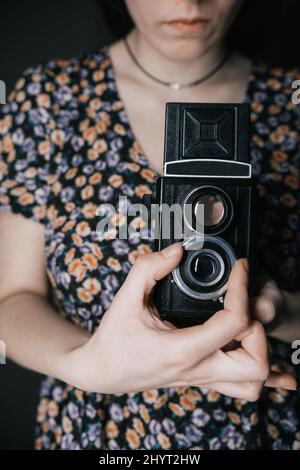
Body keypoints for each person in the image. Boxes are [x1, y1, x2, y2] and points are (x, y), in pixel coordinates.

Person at [0, 0, 299, 450]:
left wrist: (278, 311)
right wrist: (87, 365)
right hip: (97, 428)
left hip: (263, 426)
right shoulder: (50, 99)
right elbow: (10, 298)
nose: (189, 2)